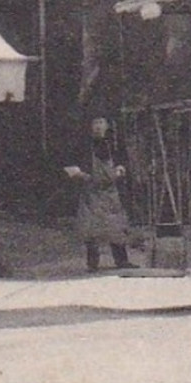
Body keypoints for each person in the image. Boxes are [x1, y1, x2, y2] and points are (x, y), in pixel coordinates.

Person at [67, 116, 133, 272]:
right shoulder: (82, 145)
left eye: (101, 123)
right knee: (91, 227)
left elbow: (122, 162)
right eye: (95, 123)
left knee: (116, 224)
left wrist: (119, 170)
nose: (98, 126)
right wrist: (82, 175)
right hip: (91, 191)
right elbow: (70, 165)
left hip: (110, 191)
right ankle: (92, 264)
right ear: (90, 126)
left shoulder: (114, 144)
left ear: (107, 125)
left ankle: (122, 261)